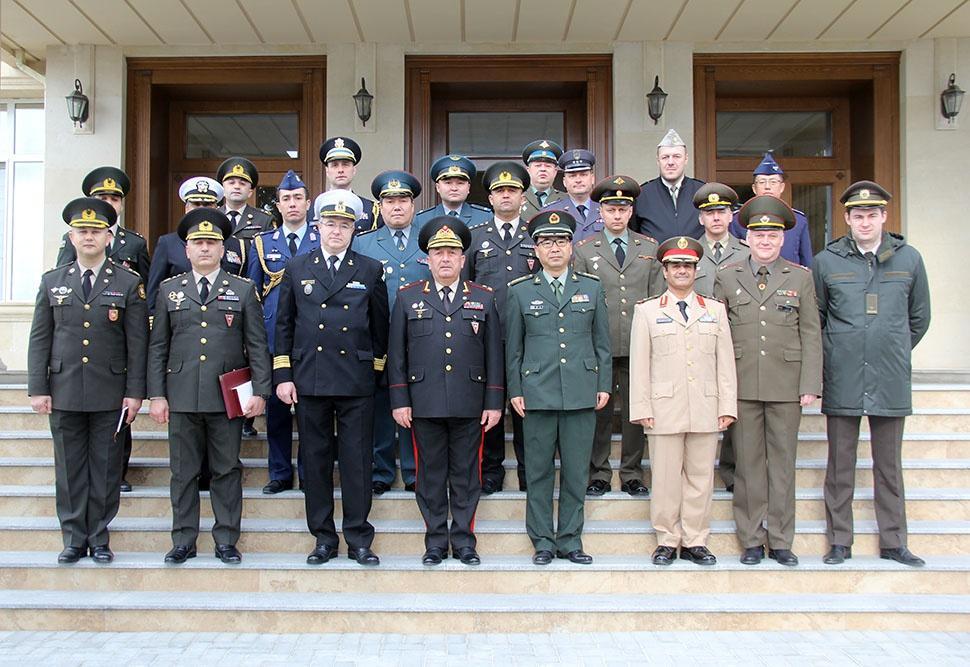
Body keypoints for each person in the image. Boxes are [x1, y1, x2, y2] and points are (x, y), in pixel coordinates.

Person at [814, 180, 931, 567]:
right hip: (843, 373)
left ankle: (894, 541)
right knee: (840, 465)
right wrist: (841, 350)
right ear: (846, 218)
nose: (865, 222)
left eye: (872, 214)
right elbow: (818, 318)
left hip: (889, 375)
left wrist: (890, 348)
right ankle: (840, 541)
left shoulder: (909, 259)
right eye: (858, 215)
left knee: (889, 465)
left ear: (884, 217)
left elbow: (919, 318)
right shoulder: (826, 261)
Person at [28, 197, 148, 564]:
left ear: (109, 237)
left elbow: (137, 342)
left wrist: (135, 393)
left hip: (109, 392)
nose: (89, 237)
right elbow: (40, 337)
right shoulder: (53, 281)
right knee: (68, 469)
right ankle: (73, 538)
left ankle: (98, 537)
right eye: (82, 231)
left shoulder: (128, 283)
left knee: (106, 468)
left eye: (96, 231)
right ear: (71, 237)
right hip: (63, 389)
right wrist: (37, 387)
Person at [147, 208, 271, 565]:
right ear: (186, 250)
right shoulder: (170, 291)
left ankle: (226, 539)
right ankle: (183, 539)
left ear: (222, 249)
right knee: (183, 472)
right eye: (198, 243)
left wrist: (261, 392)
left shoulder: (242, 289)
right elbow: (158, 346)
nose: (204, 248)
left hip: (227, 397)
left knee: (226, 469)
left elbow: (257, 345)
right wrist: (157, 395)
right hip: (182, 395)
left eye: (211, 242)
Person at [273, 190, 389, 567]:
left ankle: (358, 537)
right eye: (330, 223)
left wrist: (375, 372)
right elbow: (284, 324)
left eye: (344, 224)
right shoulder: (297, 267)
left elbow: (380, 328)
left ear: (354, 229)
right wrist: (284, 374)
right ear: (317, 225)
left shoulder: (370, 269)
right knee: (316, 460)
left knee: (357, 462)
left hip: (356, 379)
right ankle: (323, 537)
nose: (336, 230)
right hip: (311, 377)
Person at [388, 217, 504, 566]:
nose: (445, 259)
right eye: (438, 252)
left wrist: (494, 401)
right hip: (423, 404)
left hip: (471, 402)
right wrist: (399, 399)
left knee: (468, 476)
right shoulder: (409, 297)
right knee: (430, 475)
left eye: (452, 252)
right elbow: (396, 354)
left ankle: (465, 541)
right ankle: (436, 541)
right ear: (427, 258)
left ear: (463, 258)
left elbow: (494, 353)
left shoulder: (483, 298)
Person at [714, 195, 822, 567]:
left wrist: (810, 383)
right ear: (746, 237)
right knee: (747, 465)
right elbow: (718, 335)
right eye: (758, 234)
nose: (764, 241)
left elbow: (811, 333)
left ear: (781, 240)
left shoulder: (801, 278)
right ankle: (751, 540)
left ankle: (781, 540)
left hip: (786, 384)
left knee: (782, 465)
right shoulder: (726, 276)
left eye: (772, 235)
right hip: (742, 385)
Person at [506, 210, 612, 565]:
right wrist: (514, 389)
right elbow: (514, 348)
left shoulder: (591, 287)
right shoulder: (520, 292)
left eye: (561, 241)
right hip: (536, 392)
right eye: (546, 242)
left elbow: (602, 344)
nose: (554, 248)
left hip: (582, 391)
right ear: (535, 250)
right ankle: (542, 541)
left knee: (576, 470)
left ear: (571, 247)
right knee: (537, 472)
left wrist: (603, 384)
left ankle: (570, 539)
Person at [629, 236, 737, 566]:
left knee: (700, 478)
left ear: (696, 270)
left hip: (705, 406)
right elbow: (639, 363)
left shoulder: (714, 311)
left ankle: (695, 539)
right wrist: (642, 406)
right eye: (675, 265)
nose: (681, 271)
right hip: (663, 408)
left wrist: (727, 405)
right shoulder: (647, 312)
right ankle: (666, 537)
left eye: (687, 266)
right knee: (664, 478)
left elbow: (725, 361)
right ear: (664, 270)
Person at [573, 175, 663, 497]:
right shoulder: (584, 250)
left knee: (634, 413)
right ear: (601, 212)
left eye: (623, 208)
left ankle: (631, 473)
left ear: (631, 210)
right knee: (598, 412)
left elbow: (656, 300)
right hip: (600, 346)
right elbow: (580, 299)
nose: (617, 215)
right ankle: (598, 472)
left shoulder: (649, 248)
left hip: (637, 345)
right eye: (611, 208)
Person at [353, 171, 430, 495]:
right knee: (382, 403)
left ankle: (414, 470)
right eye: (389, 201)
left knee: (420, 403)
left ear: (413, 205)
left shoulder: (430, 240)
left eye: (402, 201)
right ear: (380, 207)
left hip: (423, 336)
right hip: (379, 337)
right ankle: (382, 470)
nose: (396, 207)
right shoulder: (363, 243)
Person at [462, 161, 536, 493]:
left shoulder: (537, 235)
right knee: (489, 408)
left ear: (523, 197)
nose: (506, 196)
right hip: (486, 339)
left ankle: (528, 470)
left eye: (513, 191)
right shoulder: (476, 238)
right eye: (499, 191)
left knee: (527, 409)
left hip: (530, 340)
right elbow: (465, 290)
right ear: (490, 199)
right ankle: (491, 470)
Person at [247, 170, 319, 494]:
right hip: (273, 339)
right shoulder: (262, 244)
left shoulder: (320, 239)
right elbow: (252, 294)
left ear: (308, 203)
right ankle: (279, 472)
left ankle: (308, 472)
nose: (292, 204)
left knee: (309, 413)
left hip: (310, 339)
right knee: (276, 411)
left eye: (298, 198)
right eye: (286, 199)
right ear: (277, 205)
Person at [691, 182, 749, 493]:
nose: (715, 218)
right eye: (709, 213)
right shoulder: (689, 253)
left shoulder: (747, 253)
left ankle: (730, 470)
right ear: (701, 218)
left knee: (734, 408)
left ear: (731, 216)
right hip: (697, 344)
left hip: (736, 343)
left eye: (721, 212)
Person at [216, 156, 276, 439]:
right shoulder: (211, 218)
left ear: (251, 190)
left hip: (250, 299)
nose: (236, 186)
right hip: (216, 301)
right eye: (231, 181)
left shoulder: (264, 220)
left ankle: (247, 417)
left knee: (248, 356)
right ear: (223, 187)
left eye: (243, 182)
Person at [55, 167, 150, 281]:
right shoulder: (74, 238)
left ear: (122, 206)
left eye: (114, 199)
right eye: (103, 199)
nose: (109, 203)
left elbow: (145, 285)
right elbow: (61, 278)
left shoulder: (135, 242)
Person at [728, 152, 814, 267]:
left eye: (773, 182)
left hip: (789, 281)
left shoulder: (797, 219)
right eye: (762, 182)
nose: (767, 186)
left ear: (782, 187)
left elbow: (806, 261)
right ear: (754, 188)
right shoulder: (737, 219)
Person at [633, 129, 705, 241]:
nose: (670, 162)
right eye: (665, 157)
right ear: (658, 161)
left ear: (686, 159)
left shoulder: (702, 192)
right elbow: (633, 234)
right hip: (654, 258)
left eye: (677, 156)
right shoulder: (642, 194)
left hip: (697, 257)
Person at [319, 136, 380, 233]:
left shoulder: (370, 209)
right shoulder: (314, 209)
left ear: (354, 170)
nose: (340, 170)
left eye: (345, 164)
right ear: (327, 171)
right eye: (334, 165)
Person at [414, 155, 492, 228]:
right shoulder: (422, 219)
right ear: (438, 187)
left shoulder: (484, 217)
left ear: (468, 188)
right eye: (448, 183)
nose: (454, 188)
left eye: (460, 183)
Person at [541, 149, 602, 243]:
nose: (578, 180)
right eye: (572, 176)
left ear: (592, 178)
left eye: (583, 175)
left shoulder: (606, 209)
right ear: (564, 182)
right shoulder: (550, 211)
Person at [520, 139, 566, 220]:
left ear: (555, 171)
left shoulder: (566, 199)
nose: (543, 169)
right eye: (538, 165)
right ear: (528, 170)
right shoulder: (517, 197)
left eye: (548, 166)